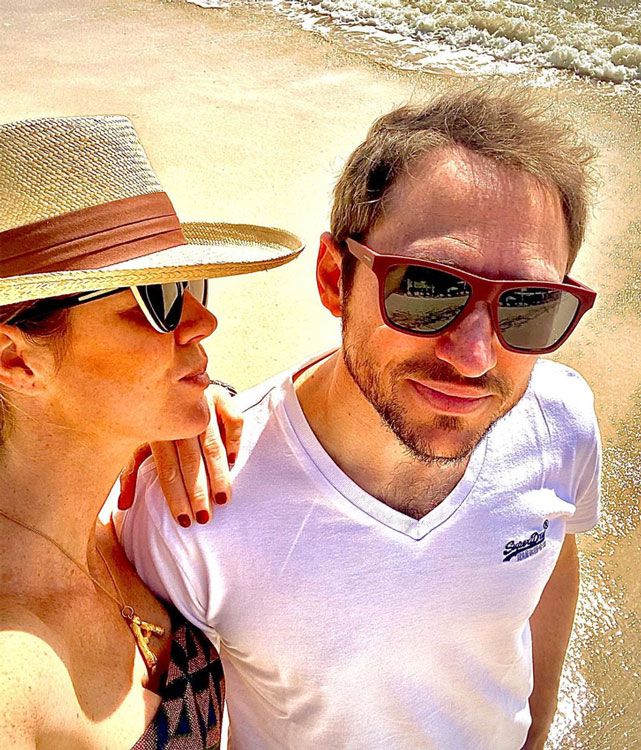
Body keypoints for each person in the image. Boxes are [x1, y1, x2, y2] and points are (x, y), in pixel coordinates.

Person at [119, 88, 601, 750]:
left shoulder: (560, 420)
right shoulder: (194, 507)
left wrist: (535, 729)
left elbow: (551, 556)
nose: (474, 356)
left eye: (528, 305)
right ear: (333, 277)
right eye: (428, 290)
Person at [0, 114, 302, 749]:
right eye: (157, 296)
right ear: (16, 361)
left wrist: (187, 407)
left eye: (189, 283)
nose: (203, 322)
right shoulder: (12, 677)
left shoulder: (111, 517)